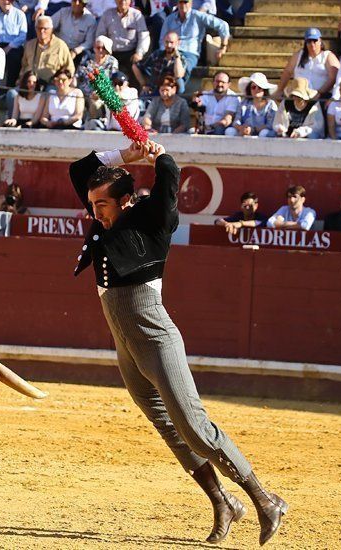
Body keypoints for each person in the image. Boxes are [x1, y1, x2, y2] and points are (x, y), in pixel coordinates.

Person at [68, 139, 288, 546]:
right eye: (92, 205)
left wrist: (161, 156)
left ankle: (264, 498)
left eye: (102, 206)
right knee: (167, 426)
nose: (94, 214)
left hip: (155, 338)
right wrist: (126, 155)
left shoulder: (151, 220)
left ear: (127, 201)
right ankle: (222, 502)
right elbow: (79, 170)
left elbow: (169, 185)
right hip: (126, 342)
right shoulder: (107, 213)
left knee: (194, 426)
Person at [160, 0, 228, 83]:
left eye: (185, 2)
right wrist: (165, 52)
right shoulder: (169, 19)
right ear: (177, 4)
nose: (183, 5)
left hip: (189, 53)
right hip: (169, 51)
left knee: (180, 76)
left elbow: (222, 25)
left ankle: (177, 90)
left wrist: (223, 47)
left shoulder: (198, 15)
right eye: (180, 2)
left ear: (191, 3)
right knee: (155, 68)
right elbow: (162, 40)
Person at [274, 27, 339, 102]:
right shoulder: (298, 56)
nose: (312, 44)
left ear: (320, 41)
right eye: (309, 41)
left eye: (315, 41)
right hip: (298, 96)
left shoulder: (328, 56)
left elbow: (333, 78)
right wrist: (279, 90)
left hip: (320, 97)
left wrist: (319, 93)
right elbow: (287, 72)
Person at [95, 0, 149, 76]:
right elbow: (100, 35)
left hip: (130, 53)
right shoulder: (107, 14)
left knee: (137, 67)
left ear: (130, 1)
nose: (123, 1)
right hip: (111, 52)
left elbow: (144, 36)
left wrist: (139, 53)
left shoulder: (137, 15)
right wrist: (103, 51)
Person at [20, 14, 73, 85]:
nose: (42, 31)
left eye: (45, 29)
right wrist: (21, 79)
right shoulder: (29, 45)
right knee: (12, 93)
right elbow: (24, 65)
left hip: (51, 84)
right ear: (35, 29)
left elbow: (69, 67)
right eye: (39, 28)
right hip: (31, 84)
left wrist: (62, 82)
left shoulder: (61, 45)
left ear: (51, 29)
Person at [0, 0, 26, 86]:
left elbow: (22, 36)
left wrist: (9, 47)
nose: (7, 1)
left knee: (15, 58)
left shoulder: (20, 14)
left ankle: (10, 87)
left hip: (13, 45)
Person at [133, 30, 187, 95]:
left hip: (170, 92)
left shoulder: (182, 59)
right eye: (166, 42)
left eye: (172, 42)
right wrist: (143, 84)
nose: (169, 45)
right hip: (154, 89)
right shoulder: (157, 54)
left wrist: (176, 57)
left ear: (178, 43)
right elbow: (135, 66)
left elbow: (178, 75)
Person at [76, 35, 118, 117]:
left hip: (102, 94)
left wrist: (99, 93)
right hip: (84, 92)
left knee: (95, 104)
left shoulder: (112, 62)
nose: (100, 50)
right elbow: (78, 75)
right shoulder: (87, 59)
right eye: (98, 47)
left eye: (103, 48)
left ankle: (94, 124)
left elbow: (113, 81)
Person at [226, 72, 277, 137]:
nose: (256, 89)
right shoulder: (244, 103)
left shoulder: (270, 104)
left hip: (262, 133)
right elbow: (236, 121)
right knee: (230, 131)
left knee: (264, 133)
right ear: (249, 89)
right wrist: (241, 128)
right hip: (244, 132)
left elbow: (270, 124)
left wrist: (253, 129)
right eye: (253, 87)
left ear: (264, 90)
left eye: (259, 87)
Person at [192, 71, 238, 135]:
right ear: (213, 82)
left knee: (219, 130)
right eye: (217, 81)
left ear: (228, 84)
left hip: (221, 128)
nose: (219, 84)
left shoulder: (233, 97)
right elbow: (199, 113)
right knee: (191, 131)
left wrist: (211, 127)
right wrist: (196, 104)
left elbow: (228, 119)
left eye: (223, 82)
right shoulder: (205, 95)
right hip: (204, 127)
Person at [50, 0, 96, 64]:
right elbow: (49, 25)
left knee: (87, 55)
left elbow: (89, 42)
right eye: (74, 0)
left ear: (84, 4)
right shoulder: (63, 12)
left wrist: (76, 51)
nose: (76, 3)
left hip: (76, 52)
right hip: (59, 48)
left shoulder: (90, 20)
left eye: (80, 1)